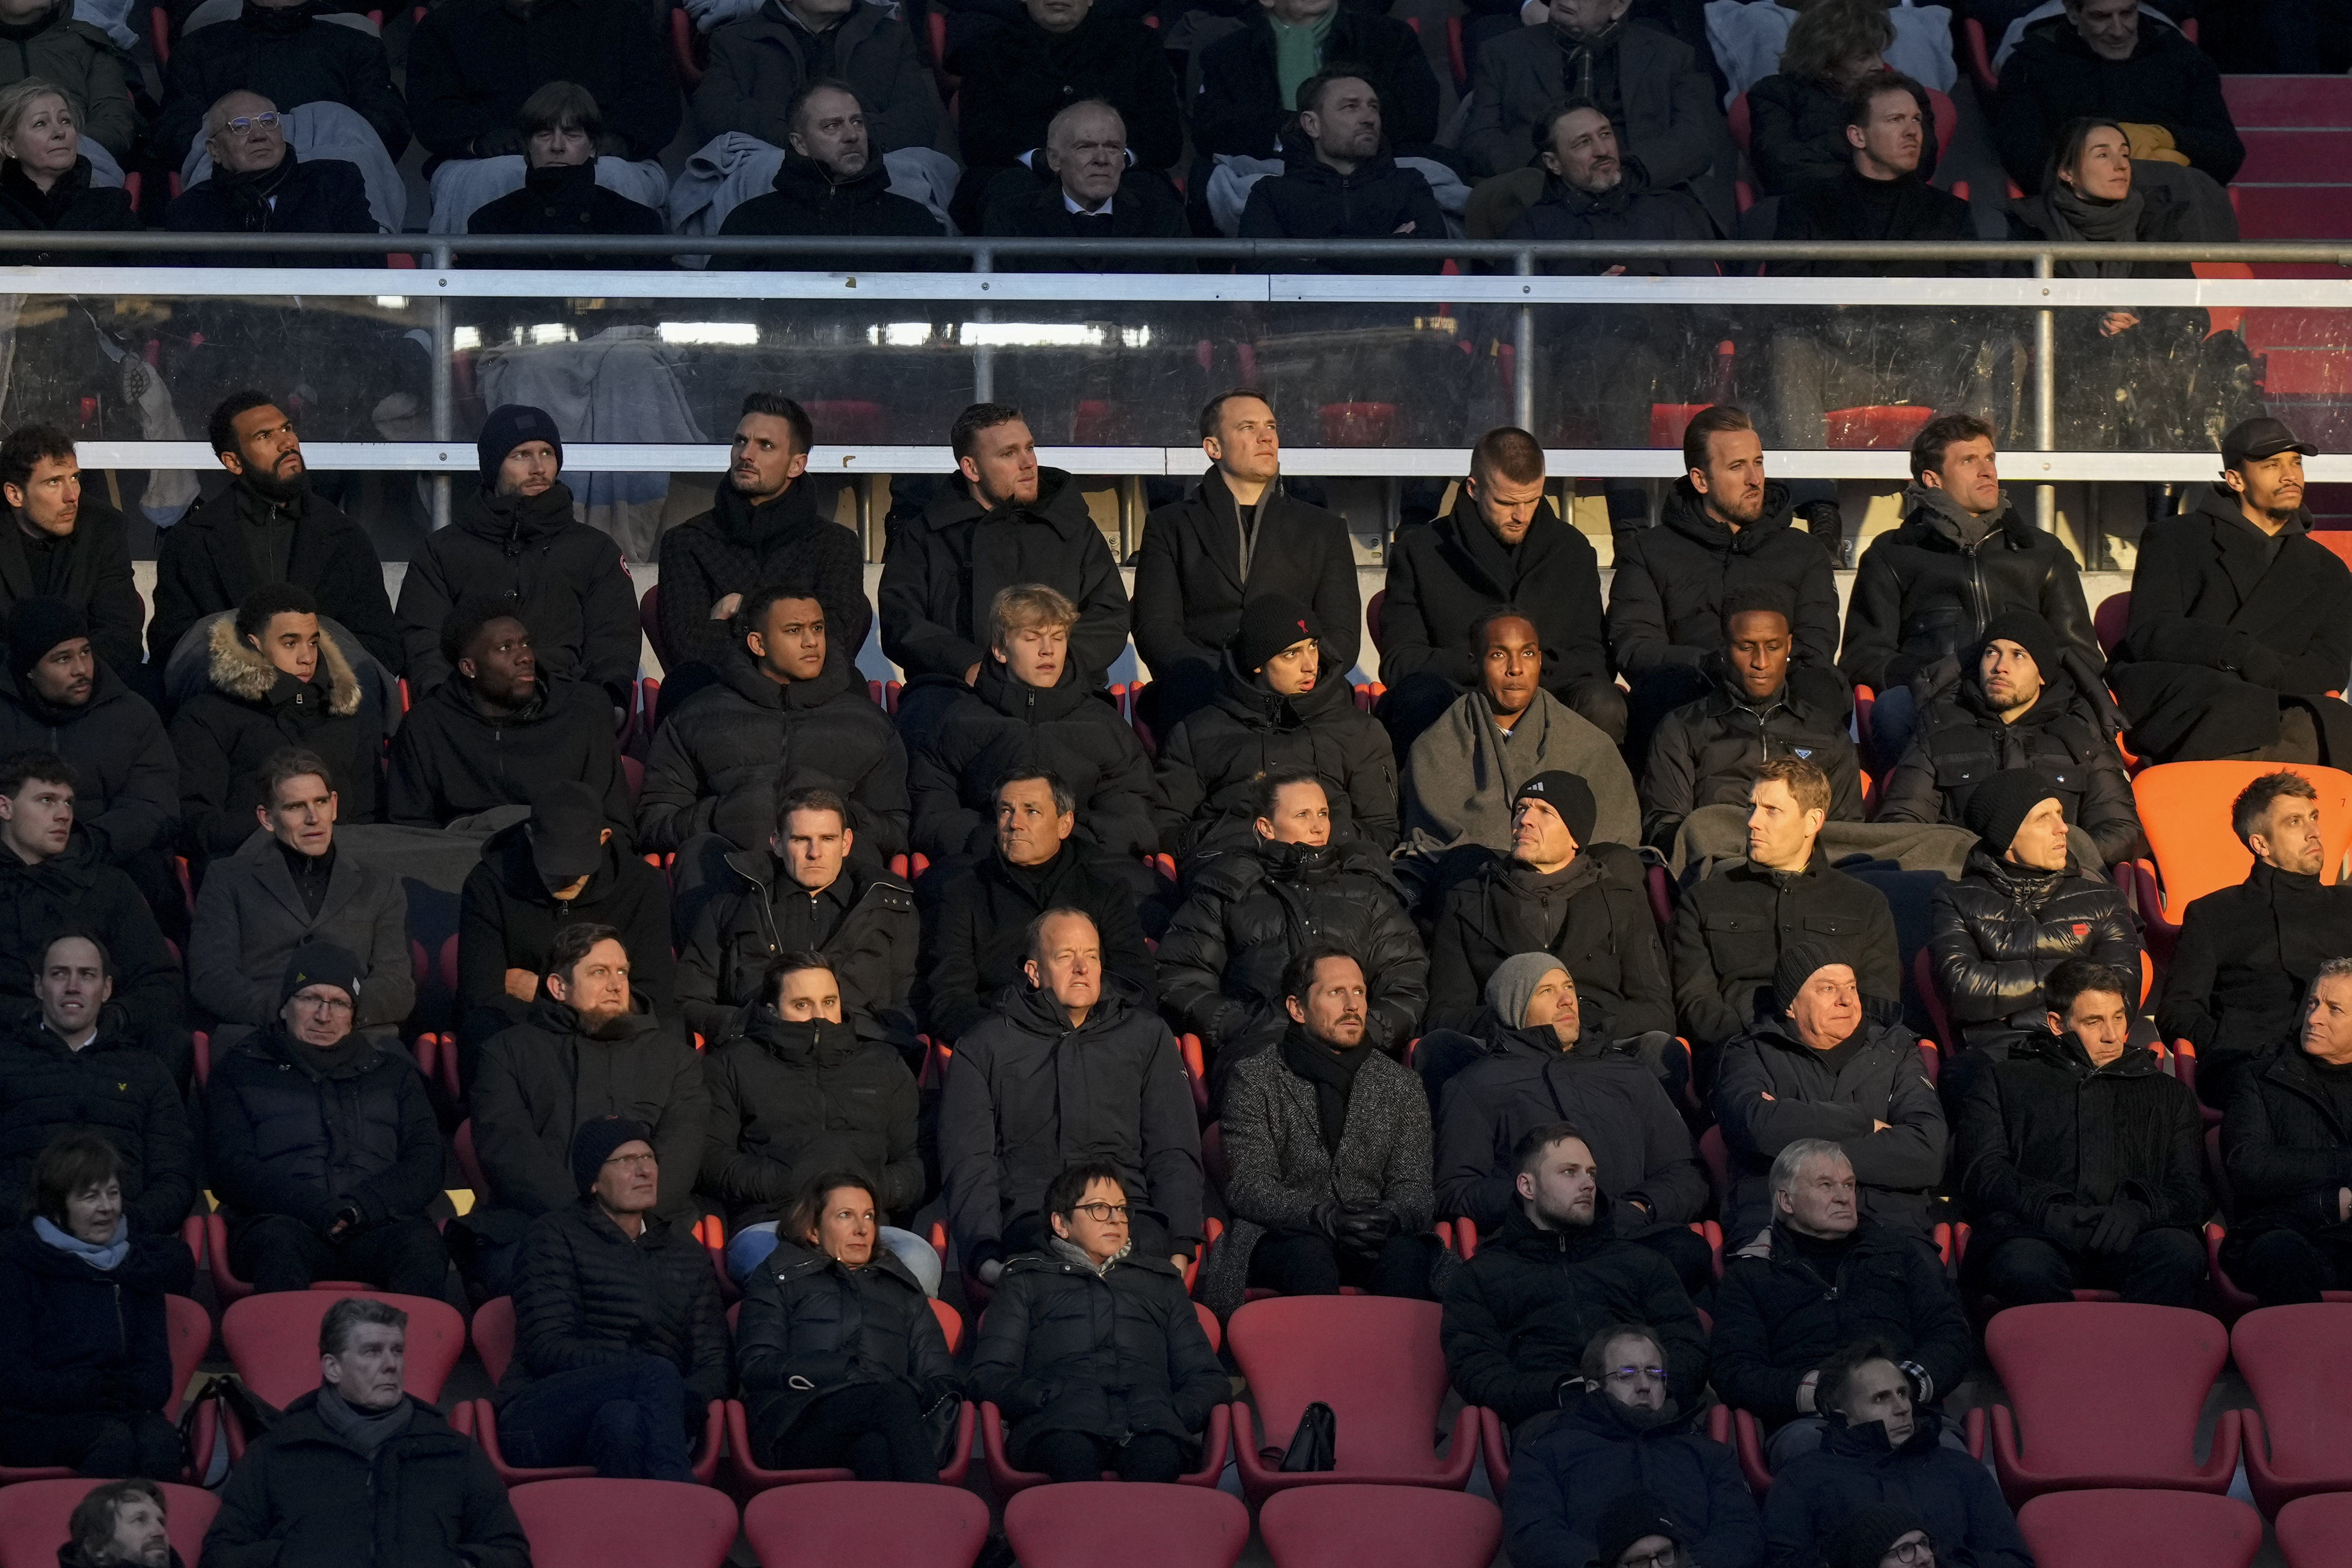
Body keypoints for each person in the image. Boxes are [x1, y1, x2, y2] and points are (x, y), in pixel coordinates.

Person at [941, 907, 1201, 1281]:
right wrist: (984, 1256)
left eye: (1091, 956)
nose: (1082, 967)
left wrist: (1180, 1245)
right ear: (1033, 973)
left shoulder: (1146, 1036)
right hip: (1035, 1221)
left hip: (1130, 1216)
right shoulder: (984, 1046)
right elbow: (969, 1163)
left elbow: (1173, 1148)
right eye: (1066, 956)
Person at [1432, 954, 1709, 1289]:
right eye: (1546, 991)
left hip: (1631, 1238)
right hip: (1538, 1250)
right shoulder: (1477, 1084)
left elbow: (1686, 1171)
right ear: (1514, 1009)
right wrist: (1539, 1202)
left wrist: (1641, 1207)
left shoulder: (1630, 1074)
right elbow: (1456, 1188)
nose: (1567, 1000)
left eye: (1569, 987)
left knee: (1687, 1252)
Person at [1840, 415, 2100, 765]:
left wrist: (2023, 686)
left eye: (1990, 459)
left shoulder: (2043, 552)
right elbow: (1863, 658)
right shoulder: (1892, 556)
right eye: (1968, 461)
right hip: (1936, 706)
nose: (1987, 471)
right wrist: (1943, 675)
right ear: (1933, 480)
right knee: (1892, 708)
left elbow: (2081, 654)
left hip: (2028, 708)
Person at [464, 925, 706, 1295]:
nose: (616, 984)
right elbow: (510, 1155)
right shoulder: (506, 1053)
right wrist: (583, 1225)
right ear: (559, 988)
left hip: (650, 1228)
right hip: (536, 1224)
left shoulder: (675, 1059)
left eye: (622, 972)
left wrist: (628, 1217)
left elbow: (680, 1154)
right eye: (599, 972)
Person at [204, 1295, 531, 1568]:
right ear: (333, 1368)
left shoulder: (454, 1452)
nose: (391, 1365)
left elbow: (512, 1554)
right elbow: (220, 1557)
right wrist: (297, 1555)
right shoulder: (275, 1452)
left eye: (398, 1351)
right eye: (372, 1352)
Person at [1499, 101, 1721, 498]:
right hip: (1564, 376)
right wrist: (1590, 296)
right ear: (1553, 162)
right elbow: (1512, 326)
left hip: (1668, 371)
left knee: (1629, 363)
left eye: (1606, 135)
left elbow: (1711, 310)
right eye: (1583, 142)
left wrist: (1655, 295)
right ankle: (1631, 525)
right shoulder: (1533, 228)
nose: (1602, 149)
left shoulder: (1665, 213)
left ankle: (1629, 522)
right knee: (1622, 363)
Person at [1957, 957, 2206, 1307]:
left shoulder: (2169, 1093)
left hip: (2137, 1236)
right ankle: (2058, 1362)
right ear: (2058, 1024)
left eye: (2118, 1018)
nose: (2112, 1035)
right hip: (2037, 1234)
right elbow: (1982, 1173)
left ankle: (2140, 1360)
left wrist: (2139, 1212)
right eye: (2095, 1021)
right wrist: (2047, 1210)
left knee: (2178, 1255)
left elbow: (2191, 1189)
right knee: (2022, 1266)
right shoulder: (2003, 1081)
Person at [1197, 947, 1433, 1314]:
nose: (1353, 1005)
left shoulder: (1401, 1085)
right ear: (1297, 1008)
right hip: (1285, 1234)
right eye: (1336, 992)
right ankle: (1320, 1370)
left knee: (1407, 1257)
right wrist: (1321, 1215)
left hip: (1373, 1234)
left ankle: (1394, 1370)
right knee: (1308, 1254)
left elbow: (1414, 1187)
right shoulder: (1255, 1077)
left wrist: (1391, 1217)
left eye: (1359, 992)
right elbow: (1249, 1187)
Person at [1710, 1139, 1971, 1471]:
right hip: (1813, 1424)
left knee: (1951, 1463)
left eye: (1849, 1185)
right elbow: (1734, 1371)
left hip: (1909, 1413)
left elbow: (1949, 1333)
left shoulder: (1898, 1253)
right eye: (1826, 1185)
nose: (1843, 1196)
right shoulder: (1750, 1273)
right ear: (1786, 1200)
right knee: (1813, 1462)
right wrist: (1819, 1393)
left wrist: (1903, 1385)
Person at [1767, 74, 1992, 455]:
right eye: (1895, 120)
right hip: (1840, 367)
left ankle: (1957, 494)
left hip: (1927, 368)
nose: (1912, 132)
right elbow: (1784, 302)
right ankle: (1817, 500)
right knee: (1790, 345)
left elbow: (1973, 307)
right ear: (1858, 136)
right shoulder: (1805, 207)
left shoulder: (1950, 214)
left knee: (1998, 349)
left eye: (1917, 120)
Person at [205, 942, 447, 1296]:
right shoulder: (239, 1069)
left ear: (354, 1014)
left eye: (339, 1003)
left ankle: (410, 1354)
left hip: (377, 1223)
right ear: (285, 1006)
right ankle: (285, 1353)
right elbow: (230, 1168)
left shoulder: (395, 1074)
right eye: (310, 999)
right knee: (277, 1244)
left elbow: (426, 1163)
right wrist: (313, 1207)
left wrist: (361, 1208)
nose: (324, 1015)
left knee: (421, 1246)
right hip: (282, 1222)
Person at [494, 1116, 729, 1480]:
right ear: (592, 1182)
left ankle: (635, 1532)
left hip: (647, 1412)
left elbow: (714, 1360)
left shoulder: (684, 1250)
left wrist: (682, 1397)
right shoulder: (553, 1236)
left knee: (623, 1421)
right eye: (625, 1161)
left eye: (649, 1159)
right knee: (653, 1375)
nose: (644, 1171)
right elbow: (548, 1348)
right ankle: (684, 1505)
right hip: (543, 1414)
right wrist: (640, 1374)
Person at [1441, 1123, 1709, 1438]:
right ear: (1528, 1187)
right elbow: (1477, 1371)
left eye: (1591, 1173)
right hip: (1554, 1428)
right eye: (1570, 1172)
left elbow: (1688, 1346)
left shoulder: (1641, 1262)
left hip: (1652, 1421)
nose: (1588, 1184)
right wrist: (1558, 1391)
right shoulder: (1481, 1277)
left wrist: (1642, 1387)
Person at [2110, 416, 2352, 765]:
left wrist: (2269, 672)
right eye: (2272, 465)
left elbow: (2331, 666)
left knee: (2334, 725)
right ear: (2235, 479)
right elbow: (2151, 632)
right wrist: (2238, 652)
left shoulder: (2329, 570)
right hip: (2188, 697)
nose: (2290, 476)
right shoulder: (2174, 539)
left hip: (2280, 702)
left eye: (2296, 463)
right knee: (2239, 713)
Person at [1158, 770, 1425, 1086]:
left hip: (1356, 1050)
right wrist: (1243, 1025)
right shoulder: (1227, 890)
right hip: (1261, 1051)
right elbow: (1181, 974)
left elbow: (1406, 978)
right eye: (1303, 815)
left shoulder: (1367, 890)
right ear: (1265, 828)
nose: (1318, 826)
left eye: (1323, 814)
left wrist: (1364, 1029)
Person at [966, 1162, 1225, 1479]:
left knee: (1156, 1466)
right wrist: (1045, 1398)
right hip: (1058, 1422)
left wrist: (1175, 1412)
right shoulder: (1024, 1280)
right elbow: (989, 1375)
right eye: (1099, 1208)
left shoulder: (1162, 1283)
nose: (1116, 1218)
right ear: (1061, 1224)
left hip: (1151, 1422)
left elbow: (1207, 1379)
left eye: (1121, 1209)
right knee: (1072, 1459)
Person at [1608, 406, 1844, 742]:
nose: (1755, 479)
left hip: (1781, 696)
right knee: (1662, 690)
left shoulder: (1804, 552)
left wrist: (1755, 667)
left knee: (1821, 688)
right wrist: (1712, 663)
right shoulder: (1649, 552)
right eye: (1737, 467)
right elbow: (1636, 649)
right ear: (1700, 480)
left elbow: (1816, 647)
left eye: (1758, 462)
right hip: (1691, 700)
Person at [1380, 427, 1622, 750]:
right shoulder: (1420, 552)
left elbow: (1595, 659)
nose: (1521, 516)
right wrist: (1487, 666)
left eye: (1533, 500)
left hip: (1552, 699)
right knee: (1417, 698)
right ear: (1473, 489)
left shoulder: (1572, 551)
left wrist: (1527, 670)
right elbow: (1400, 662)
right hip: (1458, 699)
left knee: (1603, 703)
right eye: (1506, 502)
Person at [638, 582, 909, 872]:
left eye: (818, 628)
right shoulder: (695, 717)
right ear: (758, 644)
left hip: (834, 884)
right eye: (794, 630)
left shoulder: (868, 723)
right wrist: (720, 814)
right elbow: (654, 823)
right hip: (730, 881)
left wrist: (839, 817)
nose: (811, 642)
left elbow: (896, 830)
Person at [1134, 390, 1360, 729]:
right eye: (1248, 427)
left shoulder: (1324, 529)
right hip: (1202, 692)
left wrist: (1285, 671)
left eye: (1271, 426)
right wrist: (1222, 679)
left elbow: (1341, 634)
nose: (1266, 436)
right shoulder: (1169, 526)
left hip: (1298, 695)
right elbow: (1156, 629)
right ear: (1213, 448)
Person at [2005, 119, 2233, 454]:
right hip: (2064, 376)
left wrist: (2138, 323)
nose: (2121, 165)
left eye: (2125, 154)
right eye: (2103, 155)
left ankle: (2160, 493)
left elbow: (2192, 315)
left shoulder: (2157, 224)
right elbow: (2013, 319)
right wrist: (2092, 326)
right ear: (2067, 172)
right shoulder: (2033, 227)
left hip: (2149, 385)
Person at [700, 955, 925, 1280]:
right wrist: (789, 1183)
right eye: (803, 1004)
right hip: (773, 1224)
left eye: (829, 1002)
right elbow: (710, 1158)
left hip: (868, 1228)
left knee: (920, 1263)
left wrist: (866, 1191)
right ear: (772, 1011)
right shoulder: (732, 1065)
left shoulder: (885, 1064)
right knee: (795, 1276)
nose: (820, 1016)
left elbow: (916, 1161)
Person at [397, 407, 636, 710]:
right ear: (494, 467)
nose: (539, 468)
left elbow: (614, 644)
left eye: (547, 453)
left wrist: (604, 706)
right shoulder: (442, 551)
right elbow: (421, 641)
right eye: (522, 455)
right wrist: (446, 706)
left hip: (568, 711)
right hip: (467, 713)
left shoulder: (596, 550)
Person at [880, 402, 1130, 687]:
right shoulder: (926, 535)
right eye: (1009, 453)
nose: (1028, 463)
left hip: (1066, 690)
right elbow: (901, 622)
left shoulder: (1073, 527)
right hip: (956, 692)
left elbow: (1110, 616)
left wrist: (1055, 663)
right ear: (971, 469)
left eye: (1030, 448)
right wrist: (967, 665)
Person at [902, 583, 1154, 866]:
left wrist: (1065, 845)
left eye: (1058, 638)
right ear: (1000, 649)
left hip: (1086, 868)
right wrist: (993, 841)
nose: (1048, 651)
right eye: (1033, 638)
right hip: (984, 866)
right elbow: (932, 806)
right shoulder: (958, 721)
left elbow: (1131, 809)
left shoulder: (1103, 723)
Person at [148, 390, 400, 672]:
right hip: (229, 709)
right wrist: (251, 673)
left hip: (325, 709)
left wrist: (309, 670)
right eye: (265, 436)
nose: (287, 443)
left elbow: (382, 648)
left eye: (287, 429)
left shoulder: (345, 536)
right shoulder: (191, 542)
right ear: (233, 462)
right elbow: (172, 652)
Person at [1671, 759, 1900, 1067]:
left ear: (1813, 821)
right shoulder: (1703, 900)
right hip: (1744, 1057)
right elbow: (1696, 1003)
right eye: (1752, 807)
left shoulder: (1865, 903)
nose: (1753, 821)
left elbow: (1878, 1002)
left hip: (1844, 1062)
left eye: (1771, 811)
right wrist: (1758, 1048)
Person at [1714, 945, 1946, 1247]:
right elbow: (1757, 1127)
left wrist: (1794, 1140)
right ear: (1790, 1006)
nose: (1847, 1000)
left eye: (1851, 987)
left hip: (1886, 1224)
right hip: (1780, 1225)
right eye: (1827, 988)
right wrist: (1864, 1124)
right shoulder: (1751, 1051)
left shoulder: (1896, 1049)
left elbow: (1927, 1153)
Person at [1874, 609, 2141, 871]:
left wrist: (2045, 856)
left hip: (2060, 887)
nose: (2000, 667)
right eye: (1991, 653)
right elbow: (1901, 824)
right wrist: (1979, 864)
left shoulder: (2082, 735)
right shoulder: (1940, 728)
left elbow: (2120, 831)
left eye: (2018, 655)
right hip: (1965, 886)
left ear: (2042, 674)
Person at [735, 1171, 960, 1480]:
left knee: (874, 1450)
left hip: (884, 1420)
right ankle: (939, 1517)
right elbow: (756, 1365)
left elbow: (943, 1380)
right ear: (814, 1230)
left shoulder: (903, 1288)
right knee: (890, 1399)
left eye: (869, 1216)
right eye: (846, 1216)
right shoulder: (778, 1276)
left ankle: (889, 1529)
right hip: (795, 1423)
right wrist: (840, 1371)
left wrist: (904, 1388)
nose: (862, 1229)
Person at [187, 752, 414, 1041]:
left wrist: (341, 1013)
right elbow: (212, 979)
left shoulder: (381, 884)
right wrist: (288, 1012)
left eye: (320, 802)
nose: (313, 818)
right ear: (267, 818)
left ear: (334, 806)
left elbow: (397, 985)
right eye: (296, 807)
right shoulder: (228, 878)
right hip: (262, 1035)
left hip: (357, 1038)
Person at [1149, 594, 1396, 860]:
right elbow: (1166, 830)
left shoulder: (1359, 732)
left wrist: (1316, 832)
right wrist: (1247, 835)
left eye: (1312, 646)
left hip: (1337, 875)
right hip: (1233, 876)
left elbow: (1384, 834)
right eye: (1291, 654)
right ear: (1257, 664)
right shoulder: (1198, 733)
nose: (1310, 665)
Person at [2159, 770, 2352, 1108]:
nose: (2314, 832)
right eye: (2294, 822)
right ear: (2260, 843)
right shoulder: (2214, 913)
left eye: (2313, 817)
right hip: (2254, 1069)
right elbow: (2178, 1010)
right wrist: (2232, 1042)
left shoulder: (2348, 905)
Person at [1426, 771, 1671, 1036]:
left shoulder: (1621, 901)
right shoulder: (1469, 902)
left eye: (1545, 812)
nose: (1524, 820)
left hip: (1601, 1052)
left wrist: (1578, 1022)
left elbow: (1657, 1011)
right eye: (1521, 809)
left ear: (1575, 837)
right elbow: (1444, 1017)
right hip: (1503, 1055)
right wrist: (1523, 1017)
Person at [917, 771, 1155, 1042]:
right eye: (1006, 811)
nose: (1014, 824)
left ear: (1064, 824)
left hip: (1097, 1045)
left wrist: (1084, 1037)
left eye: (1031, 812)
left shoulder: (1105, 891)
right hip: (1005, 1050)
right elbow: (949, 1000)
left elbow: (1137, 987)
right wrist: (1015, 1042)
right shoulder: (963, 894)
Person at [0, 1131, 184, 1478]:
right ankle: (91, 1534)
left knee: (160, 1440)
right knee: (109, 1441)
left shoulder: (137, 1265)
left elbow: (158, 1371)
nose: (107, 1208)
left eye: (113, 1194)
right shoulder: (16, 1262)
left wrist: (129, 1392)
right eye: (90, 1197)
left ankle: (157, 1532)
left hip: (118, 1409)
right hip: (33, 1418)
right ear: (58, 1207)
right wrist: (89, 1390)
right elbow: (12, 1378)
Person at [1398, 608, 1639, 872]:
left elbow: (1615, 837)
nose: (1515, 669)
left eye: (1527, 654)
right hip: (1469, 891)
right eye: (1499, 655)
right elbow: (1429, 842)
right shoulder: (1434, 748)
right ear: (1474, 663)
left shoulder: (1590, 746)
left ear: (1539, 661)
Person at [1504, 1325, 1765, 1568]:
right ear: (1594, 1388)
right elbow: (1532, 1536)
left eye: (1654, 1374)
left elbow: (1742, 1531)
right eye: (1626, 1375)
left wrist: (1687, 1565)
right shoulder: (1546, 1452)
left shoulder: (1710, 1455)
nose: (1643, 1386)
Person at [677, 786, 916, 1048]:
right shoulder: (731, 906)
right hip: (758, 1053)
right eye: (801, 839)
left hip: (857, 1059)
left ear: (846, 843)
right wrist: (751, 1024)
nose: (815, 852)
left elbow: (908, 1005)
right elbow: (689, 1000)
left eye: (827, 839)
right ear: (777, 843)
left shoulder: (890, 908)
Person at [657, 395, 870, 686]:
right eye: (741, 441)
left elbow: (834, 643)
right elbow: (689, 649)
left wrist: (737, 612)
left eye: (765, 446)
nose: (746, 454)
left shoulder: (836, 544)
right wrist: (790, 633)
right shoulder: (685, 542)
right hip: (717, 698)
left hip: (815, 702)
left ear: (796, 465)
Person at [1461, 0, 1727, 234]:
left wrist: (1633, 172)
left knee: (1681, 216)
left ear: (1618, 6)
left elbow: (1695, 141)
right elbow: (1479, 140)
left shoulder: (1670, 55)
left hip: (1644, 194)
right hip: (1540, 199)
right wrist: (1551, 172)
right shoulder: (1502, 53)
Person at [1761, 1338, 2031, 1568]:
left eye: (1903, 1393)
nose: (1902, 1407)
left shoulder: (1961, 1469)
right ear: (1843, 1413)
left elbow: (2015, 1561)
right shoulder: (1803, 1477)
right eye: (1881, 1398)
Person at [0, 934, 198, 1247]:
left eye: (87, 975)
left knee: (172, 1261)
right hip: (21, 1245)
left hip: (124, 1243)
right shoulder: (6, 1061)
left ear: (106, 989)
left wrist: (121, 1224)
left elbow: (174, 1177)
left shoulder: (147, 1070)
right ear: (39, 986)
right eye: (59, 974)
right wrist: (38, 1223)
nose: (73, 986)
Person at [1926, 770, 2141, 1057]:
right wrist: (2073, 976)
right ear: (2007, 837)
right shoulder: (1956, 899)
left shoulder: (2105, 898)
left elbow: (2121, 994)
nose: (2063, 828)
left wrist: (2017, 1018)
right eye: (2043, 818)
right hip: (1997, 1058)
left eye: (2060, 814)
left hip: (2087, 1053)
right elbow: (1962, 989)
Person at [456, 780, 674, 1063]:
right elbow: (480, 996)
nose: (565, 880)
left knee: (669, 1031)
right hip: (526, 1033)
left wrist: (543, 991)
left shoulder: (642, 886)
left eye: (577, 869)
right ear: (530, 837)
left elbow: (653, 995)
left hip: (616, 1031)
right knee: (482, 1028)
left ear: (603, 838)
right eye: (553, 866)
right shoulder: (488, 884)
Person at [1639, 589, 1864, 855]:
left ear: (1789, 646)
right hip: (1725, 870)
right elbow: (1665, 829)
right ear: (1724, 649)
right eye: (1746, 647)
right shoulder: (1683, 729)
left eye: (1774, 647)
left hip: (1811, 874)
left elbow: (1848, 833)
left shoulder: (1828, 733)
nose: (1761, 662)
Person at [167, 582, 380, 861]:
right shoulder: (207, 717)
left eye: (313, 642)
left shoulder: (345, 714)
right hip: (250, 868)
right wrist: (282, 826)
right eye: (290, 643)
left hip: (346, 869)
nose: (307, 657)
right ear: (254, 643)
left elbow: (370, 817)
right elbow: (195, 824)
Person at [0, 754, 183, 1076]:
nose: (63, 815)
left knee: (172, 1043)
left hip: (104, 1047)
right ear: (5, 808)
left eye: (69, 803)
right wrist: (31, 1017)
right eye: (47, 801)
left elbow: (159, 982)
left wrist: (114, 1019)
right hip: (10, 1046)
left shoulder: (109, 885)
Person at [386, 605, 632, 829]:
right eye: (505, 648)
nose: (526, 657)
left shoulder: (581, 720)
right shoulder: (425, 728)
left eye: (525, 644)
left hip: (555, 861)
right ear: (469, 668)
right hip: (456, 859)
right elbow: (408, 830)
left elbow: (616, 825)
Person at [0, 599, 176, 886]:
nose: (81, 669)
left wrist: (83, 846)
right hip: (11, 869)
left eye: (86, 652)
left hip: (110, 865)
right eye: (62, 659)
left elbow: (154, 809)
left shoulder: (133, 715)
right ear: (28, 671)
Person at [948, 0, 1182, 216]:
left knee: (1152, 198)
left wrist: (1114, 158)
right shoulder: (985, 50)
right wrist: (1046, 160)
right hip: (1018, 178)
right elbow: (977, 145)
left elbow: (1165, 141)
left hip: (1126, 176)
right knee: (1007, 197)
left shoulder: (1140, 45)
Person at [1992, 0, 2242, 194]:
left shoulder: (2182, 59)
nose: (2118, 30)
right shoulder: (2030, 64)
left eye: (2128, 13)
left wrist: (2166, 138)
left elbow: (2227, 153)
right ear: (2072, 13)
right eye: (2101, 16)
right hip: (2074, 209)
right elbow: (2023, 157)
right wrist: (2094, 164)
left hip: (2173, 201)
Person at [407, 0, 677, 170]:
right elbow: (430, 112)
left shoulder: (623, 15)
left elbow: (657, 100)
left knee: (617, 179)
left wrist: (621, 142)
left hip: (606, 162)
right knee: (493, 180)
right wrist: (476, 141)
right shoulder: (444, 24)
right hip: (484, 165)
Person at [2222, 955, 2352, 1305]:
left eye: (2334, 1009)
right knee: (2280, 1252)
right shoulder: (2261, 1077)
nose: (2314, 1018)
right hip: (2285, 1232)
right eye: (2313, 1003)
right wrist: (2338, 1186)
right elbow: (2250, 1168)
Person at [715, 80, 946, 270]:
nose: (852, 135)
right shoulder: (752, 222)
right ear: (800, 144)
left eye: (857, 122)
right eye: (832, 126)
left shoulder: (913, 221)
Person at [154, 0, 408, 168]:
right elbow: (175, 132)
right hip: (233, 196)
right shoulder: (198, 49)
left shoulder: (358, 47)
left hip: (335, 194)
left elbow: (388, 129)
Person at [1237, 71, 1446, 272]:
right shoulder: (1271, 194)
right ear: (1312, 125)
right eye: (1351, 107)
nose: (1369, 118)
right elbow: (1260, 272)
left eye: (1373, 107)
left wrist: (1311, 256)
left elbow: (1427, 262)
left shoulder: (1410, 184)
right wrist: (1389, 247)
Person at [1190, 0, 1438, 160]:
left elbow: (1419, 121)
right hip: (1268, 175)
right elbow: (1212, 131)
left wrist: (1333, 139)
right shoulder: (1227, 54)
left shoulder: (1390, 38)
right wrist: (1310, 133)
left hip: (1374, 171)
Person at [692, 0, 941, 155]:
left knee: (915, 174)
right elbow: (716, 114)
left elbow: (918, 119)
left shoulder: (892, 38)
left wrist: (842, 139)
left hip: (874, 164)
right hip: (776, 167)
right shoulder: (734, 41)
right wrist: (805, 138)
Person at [164, 92, 383, 264]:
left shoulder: (335, 182)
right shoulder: (190, 211)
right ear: (215, 151)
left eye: (268, 121)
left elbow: (368, 272)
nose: (259, 135)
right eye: (240, 126)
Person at [1748, 0, 1937, 197]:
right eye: (1863, 58)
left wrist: (1825, 151)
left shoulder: (1905, 93)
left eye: (1879, 53)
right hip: (1808, 211)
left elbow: (1920, 164)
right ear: (1825, 61)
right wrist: (1870, 155)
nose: (1879, 65)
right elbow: (1780, 170)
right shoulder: (1774, 94)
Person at [463, 83, 667, 263]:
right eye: (544, 134)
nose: (557, 146)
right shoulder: (489, 223)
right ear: (527, 146)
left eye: (572, 135)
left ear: (594, 146)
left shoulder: (638, 224)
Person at [983, 100, 1191, 273]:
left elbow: (1189, 307)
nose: (1102, 159)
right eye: (1085, 147)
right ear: (1054, 159)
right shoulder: (1012, 221)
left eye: (1112, 147)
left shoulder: (1165, 220)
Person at [0, 429, 142, 680]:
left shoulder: (103, 529)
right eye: (54, 482)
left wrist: (70, 679)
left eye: (74, 478)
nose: (72, 496)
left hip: (86, 685)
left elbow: (120, 633)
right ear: (15, 494)